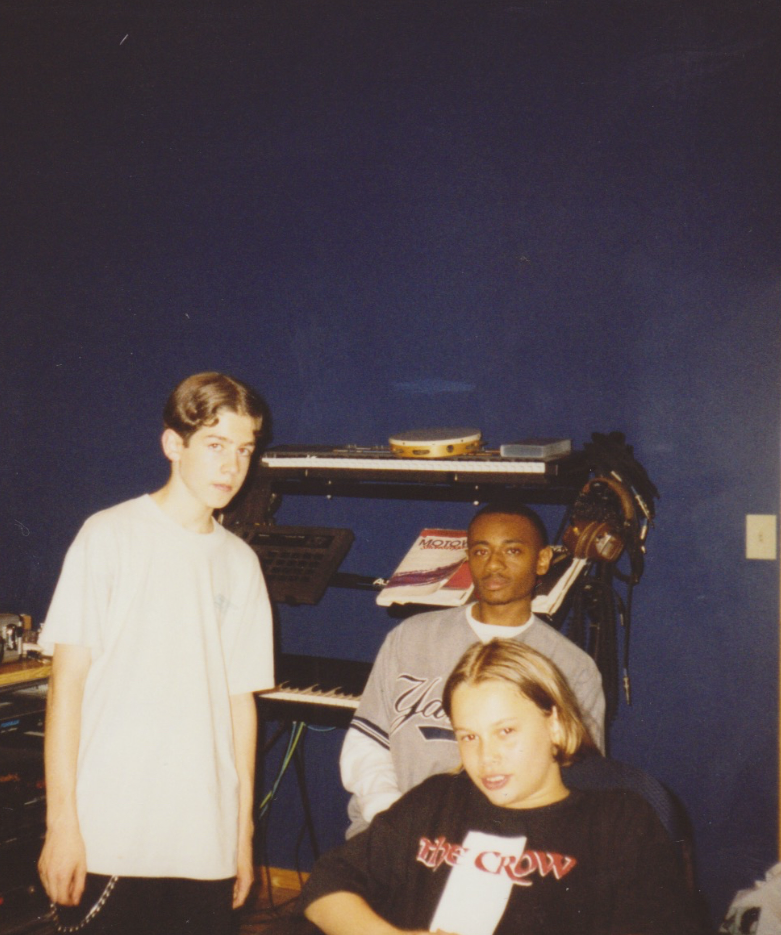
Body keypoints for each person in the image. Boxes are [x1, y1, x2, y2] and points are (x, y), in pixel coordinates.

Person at [37, 372, 275, 935]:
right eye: (215, 446)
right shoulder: (109, 535)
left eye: (243, 451)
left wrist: (241, 835)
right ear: (174, 445)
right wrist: (61, 821)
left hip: (205, 838)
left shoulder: (241, 563)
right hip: (110, 833)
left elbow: (242, 706)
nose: (231, 467)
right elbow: (66, 685)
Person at [299, 640, 706, 935]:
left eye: (505, 731)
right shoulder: (436, 800)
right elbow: (328, 881)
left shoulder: (617, 822)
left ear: (555, 724)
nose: (485, 757)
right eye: (468, 736)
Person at [340, 503, 605, 837]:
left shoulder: (572, 667)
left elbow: (578, 782)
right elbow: (366, 745)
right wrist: (393, 817)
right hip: (393, 824)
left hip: (500, 838)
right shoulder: (410, 637)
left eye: (512, 550)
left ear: (541, 561)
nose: (494, 564)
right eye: (481, 551)